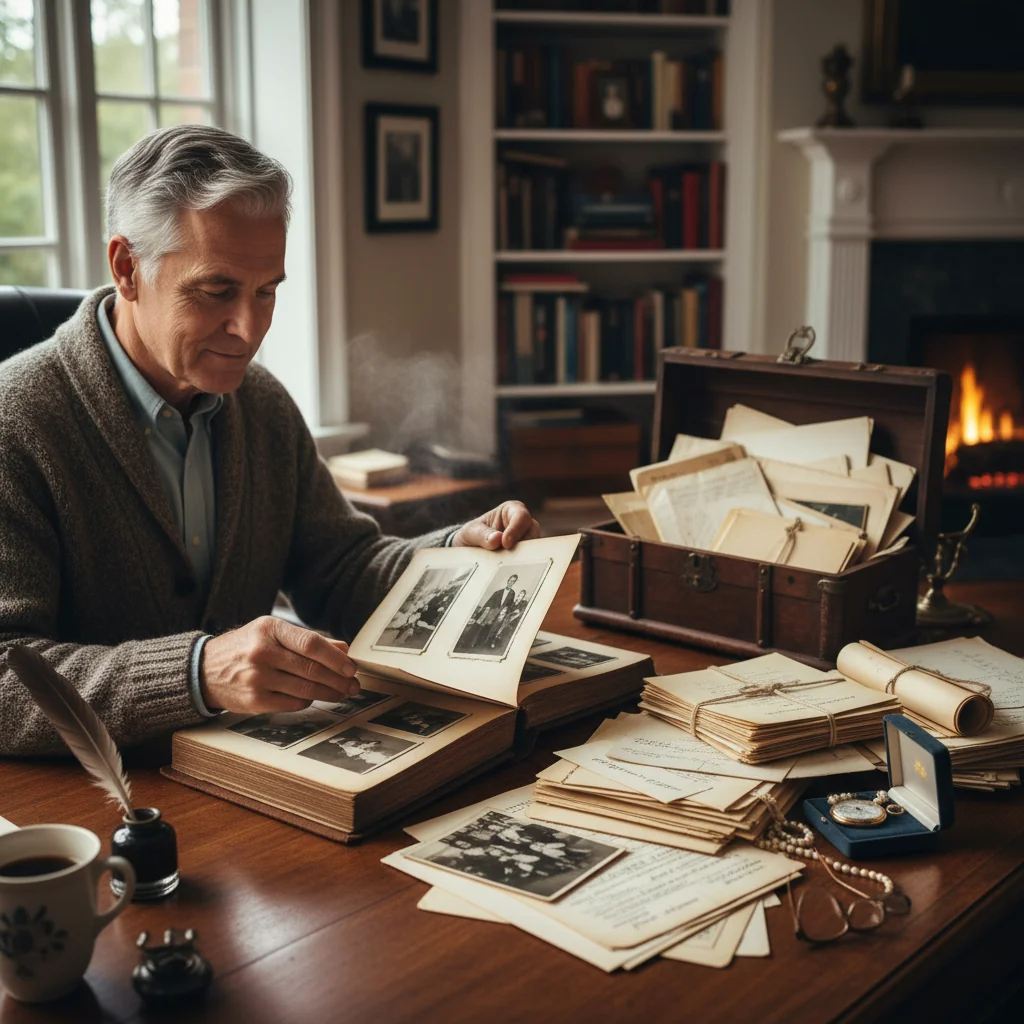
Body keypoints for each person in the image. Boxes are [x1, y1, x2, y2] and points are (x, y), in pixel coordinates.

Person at [0, 124, 540, 757]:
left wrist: (457, 555)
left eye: (267, 291)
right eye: (217, 291)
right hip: (88, 817)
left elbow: (339, 571)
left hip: (247, 782)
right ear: (127, 268)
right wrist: (199, 673)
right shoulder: (16, 424)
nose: (250, 328)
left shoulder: (260, 403)